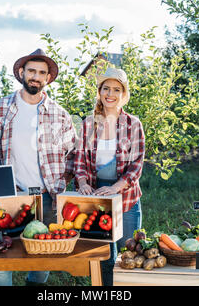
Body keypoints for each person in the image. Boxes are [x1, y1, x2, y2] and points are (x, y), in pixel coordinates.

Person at [0, 48, 77, 286]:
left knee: (42, 261)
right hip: (8, 197)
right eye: (31, 70)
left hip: (46, 199)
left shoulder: (60, 115)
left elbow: (73, 155)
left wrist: (59, 184)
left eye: (41, 73)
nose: (35, 76)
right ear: (21, 72)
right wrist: (1, 192)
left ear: (48, 78)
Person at [74, 67, 145, 286]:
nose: (110, 94)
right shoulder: (88, 124)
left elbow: (136, 163)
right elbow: (80, 160)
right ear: (99, 92)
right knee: (104, 255)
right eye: (106, 88)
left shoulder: (133, 124)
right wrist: (83, 182)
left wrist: (116, 187)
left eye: (116, 89)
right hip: (97, 195)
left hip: (125, 195)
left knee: (129, 251)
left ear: (123, 94)